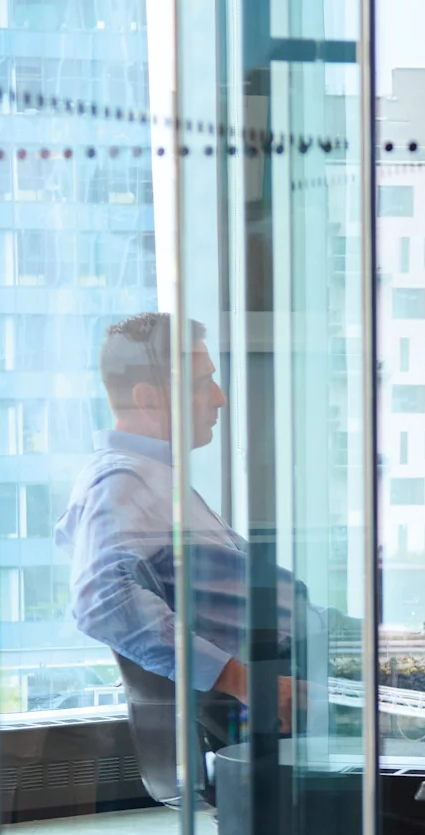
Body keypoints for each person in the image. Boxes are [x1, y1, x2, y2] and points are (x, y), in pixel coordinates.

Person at [59, 312, 278, 747]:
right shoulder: (122, 482)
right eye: (202, 384)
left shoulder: (154, 479)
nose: (219, 398)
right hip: (263, 704)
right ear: (148, 398)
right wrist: (242, 681)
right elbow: (100, 601)